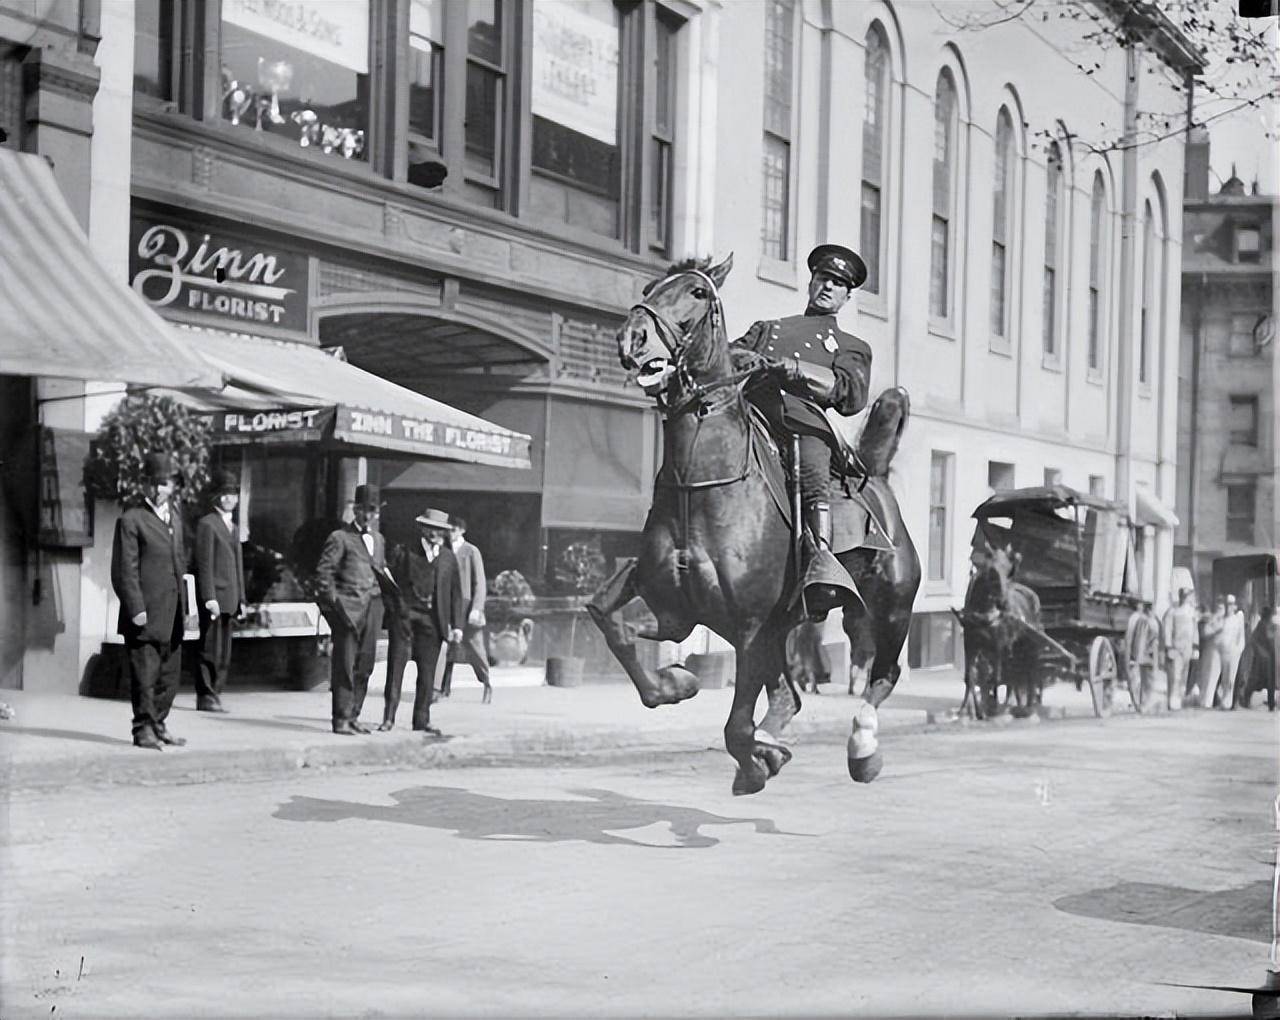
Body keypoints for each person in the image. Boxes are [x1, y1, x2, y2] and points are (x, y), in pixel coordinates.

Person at [734, 244, 872, 620]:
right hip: (754, 414)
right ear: (811, 282)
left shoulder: (851, 346)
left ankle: (821, 563)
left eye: (838, 284)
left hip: (802, 424)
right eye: (823, 278)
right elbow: (729, 359)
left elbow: (850, 393)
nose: (828, 287)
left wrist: (795, 368)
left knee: (813, 464)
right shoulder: (769, 329)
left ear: (846, 297)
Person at [110, 452, 188, 750]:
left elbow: (180, 563)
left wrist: (187, 607)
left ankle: (159, 723)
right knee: (145, 675)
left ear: (173, 486)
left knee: (168, 676)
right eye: (153, 483)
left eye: (164, 484)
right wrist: (136, 608)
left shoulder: (176, 518)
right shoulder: (132, 519)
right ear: (144, 485)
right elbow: (123, 571)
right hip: (144, 614)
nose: (158, 490)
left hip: (173, 613)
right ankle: (142, 728)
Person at [315, 484, 394, 735]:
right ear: (355, 510)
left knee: (365, 665)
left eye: (373, 511)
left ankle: (354, 715)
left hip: (373, 607)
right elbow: (324, 574)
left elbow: (379, 570)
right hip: (347, 610)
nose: (369, 516)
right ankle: (340, 718)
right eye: (364, 510)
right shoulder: (340, 537)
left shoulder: (379, 540)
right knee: (345, 665)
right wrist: (337, 606)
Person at [381, 507, 464, 734]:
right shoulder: (405, 551)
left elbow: (456, 593)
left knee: (427, 673)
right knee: (396, 668)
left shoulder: (448, 558)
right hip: (406, 619)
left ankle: (421, 720)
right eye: (433, 528)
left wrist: (457, 625)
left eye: (441, 530)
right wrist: (396, 610)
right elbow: (387, 584)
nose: (437, 533)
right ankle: (388, 718)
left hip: (433, 621)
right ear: (423, 528)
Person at [193, 470, 245, 713]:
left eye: (232, 494)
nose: (228, 498)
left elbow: (238, 566)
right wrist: (208, 597)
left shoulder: (233, 527)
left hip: (231, 598)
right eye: (224, 494)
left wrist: (242, 599)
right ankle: (205, 695)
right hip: (215, 598)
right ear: (216, 497)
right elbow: (204, 565)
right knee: (209, 648)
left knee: (224, 651)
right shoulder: (207, 524)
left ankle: (217, 692)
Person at [439, 514, 493, 704]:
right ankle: (442, 688)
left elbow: (480, 582)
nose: (449, 533)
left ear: (461, 530)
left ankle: (486, 683)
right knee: (447, 647)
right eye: (447, 530)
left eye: (453, 530)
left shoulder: (471, 551)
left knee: (475, 648)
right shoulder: (443, 550)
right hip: (448, 604)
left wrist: (477, 608)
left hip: (467, 606)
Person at [1160, 586, 1198, 712]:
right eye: (1183, 596)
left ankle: (1179, 699)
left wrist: (1195, 646)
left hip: (1187, 647)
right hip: (1176, 647)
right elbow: (1168, 630)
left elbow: (1195, 631)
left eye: (1186, 596)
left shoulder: (1191, 612)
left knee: (1184, 675)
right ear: (1180, 597)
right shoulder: (1173, 612)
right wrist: (1168, 646)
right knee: (1175, 675)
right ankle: (1173, 700)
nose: (1185, 599)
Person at [1124, 600, 1160, 713]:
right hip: (1146, 654)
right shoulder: (1146, 621)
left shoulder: (1148, 620)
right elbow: (1142, 639)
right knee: (1147, 679)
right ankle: (1143, 704)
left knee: (1145, 679)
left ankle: (1142, 703)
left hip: (1147, 653)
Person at [1240, 606, 1276, 710]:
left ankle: (1271, 704)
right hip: (1262, 659)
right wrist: (1261, 652)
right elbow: (1255, 640)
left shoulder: (1268, 625)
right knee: (1256, 680)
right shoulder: (1263, 625)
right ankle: (1246, 699)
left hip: (1269, 658)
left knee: (1269, 682)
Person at [1218, 593, 1246, 710]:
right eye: (1227, 604)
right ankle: (1224, 700)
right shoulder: (1222, 620)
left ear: (1234, 606)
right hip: (1223, 652)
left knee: (1231, 678)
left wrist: (1238, 650)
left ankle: (1229, 701)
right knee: (1224, 677)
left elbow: (1241, 638)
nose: (1229, 607)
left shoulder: (1237, 620)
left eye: (1231, 604)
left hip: (1233, 653)